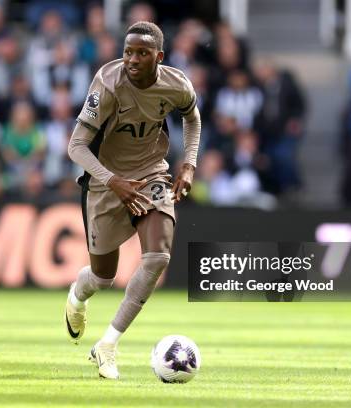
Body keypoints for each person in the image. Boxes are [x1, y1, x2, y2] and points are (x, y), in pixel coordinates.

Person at [64, 21, 201, 380]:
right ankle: (78, 296)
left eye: (142, 53)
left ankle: (107, 344)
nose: (132, 60)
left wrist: (188, 163)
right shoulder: (107, 83)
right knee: (102, 277)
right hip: (106, 183)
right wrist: (113, 181)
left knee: (158, 257)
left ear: (158, 56)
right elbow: (75, 146)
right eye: (127, 52)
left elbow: (192, 118)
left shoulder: (176, 84)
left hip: (152, 173)